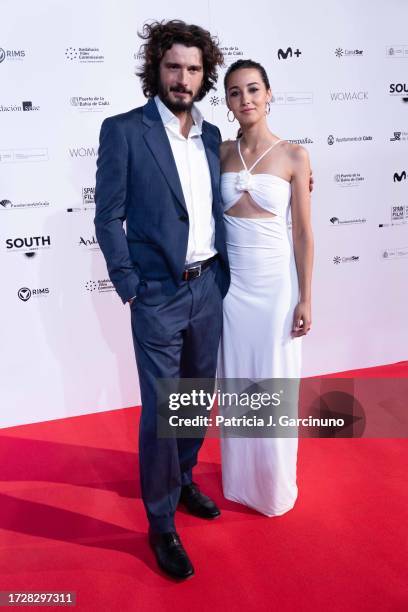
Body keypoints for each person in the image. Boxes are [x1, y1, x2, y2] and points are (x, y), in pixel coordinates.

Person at [94, 20, 230, 580]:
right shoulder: (125, 130)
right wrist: (130, 284)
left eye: (193, 69)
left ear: (205, 75)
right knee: (160, 411)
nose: (183, 78)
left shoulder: (213, 135)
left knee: (196, 398)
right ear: (157, 68)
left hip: (208, 287)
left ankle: (184, 478)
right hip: (156, 293)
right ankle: (160, 522)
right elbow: (107, 215)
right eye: (173, 67)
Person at [218, 59, 314, 516]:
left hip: (275, 286)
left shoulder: (295, 155)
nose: (246, 100)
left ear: (270, 94)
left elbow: (303, 232)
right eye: (235, 92)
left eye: (254, 90)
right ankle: (240, 479)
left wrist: (306, 297)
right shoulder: (218, 152)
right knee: (237, 381)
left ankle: (273, 484)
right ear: (227, 101)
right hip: (231, 288)